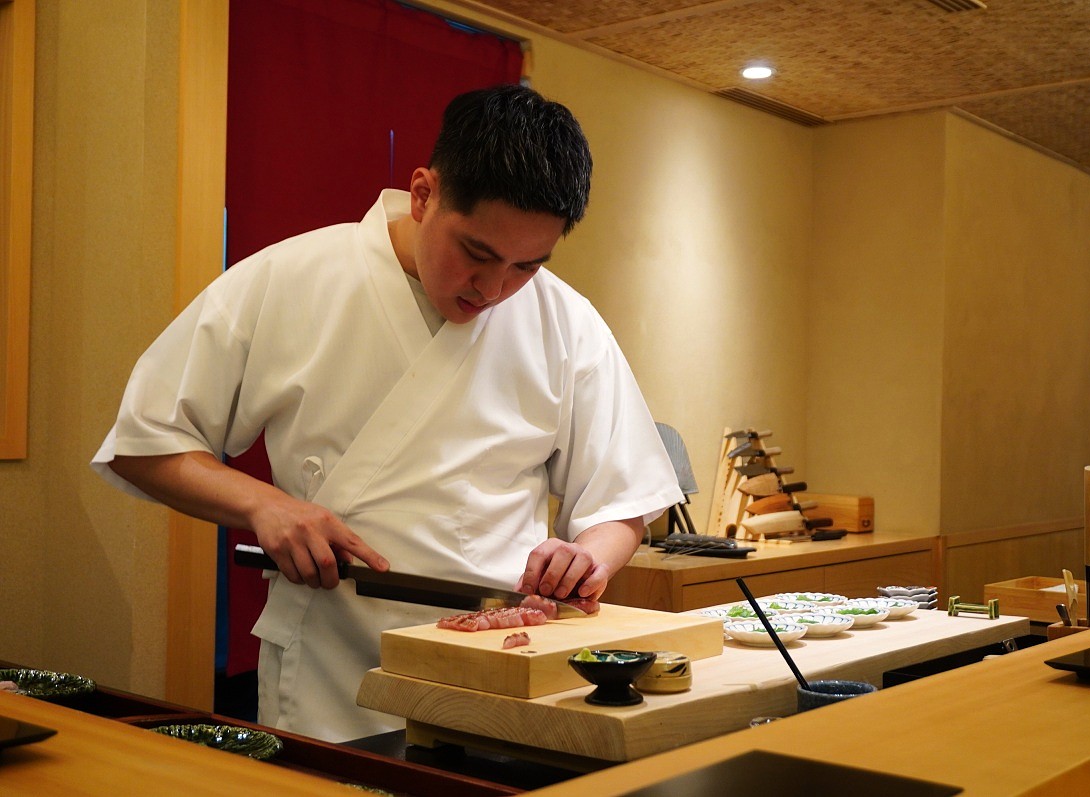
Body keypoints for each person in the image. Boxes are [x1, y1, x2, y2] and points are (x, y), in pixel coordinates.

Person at [92, 84, 682, 742]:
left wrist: (588, 557)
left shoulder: (563, 319)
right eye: (477, 254)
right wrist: (264, 505)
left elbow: (621, 499)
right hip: (331, 668)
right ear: (424, 193)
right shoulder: (293, 278)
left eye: (526, 265)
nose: (493, 289)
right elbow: (143, 441)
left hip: (499, 665)